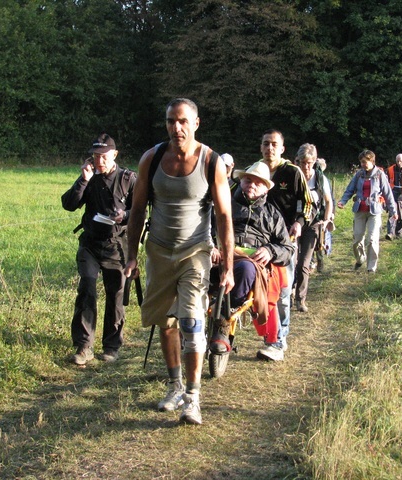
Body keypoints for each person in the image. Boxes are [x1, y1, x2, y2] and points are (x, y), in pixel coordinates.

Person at [125, 98, 234, 426]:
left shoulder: (210, 162)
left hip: (195, 253)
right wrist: (131, 255)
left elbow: (226, 216)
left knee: (191, 321)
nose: (177, 127)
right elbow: (136, 210)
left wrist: (228, 266)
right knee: (165, 322)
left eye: (183, 121)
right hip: (158, 251)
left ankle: (193, 397)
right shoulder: (152, 158)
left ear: (196, 123)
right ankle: (174, 386)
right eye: (171, 121)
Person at [61, 134, 137, 366]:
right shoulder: (89, 177)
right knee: (87, 287)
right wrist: (82, 180)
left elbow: (142, 211)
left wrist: (125, 216)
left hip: (117, 246)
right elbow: (69, 204)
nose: (99, 161)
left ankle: (112, 346)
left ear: (114, 155)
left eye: (103, 156)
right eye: (95, 156)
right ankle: (84, 346)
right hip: (90, 244)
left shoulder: (128, 178)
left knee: (116, 295)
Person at [209, 161, 294, 352]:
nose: (252, 185)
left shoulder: (272, 214)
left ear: (266, 188)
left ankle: (223, 321)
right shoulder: (224, 204)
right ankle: (187, 328)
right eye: (248, 180)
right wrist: (210, 245)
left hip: (250, 263)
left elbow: (287, 248)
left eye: (258, 182)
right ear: (240, 182)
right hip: (217, 256)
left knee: (246, 269)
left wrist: (270, 250)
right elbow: (205, 227)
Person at [257, 129, 313, 361]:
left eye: (274, 144)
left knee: (282, 290)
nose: (270, 148)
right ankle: (270, 335)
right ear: (261, 147)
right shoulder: (256, 170)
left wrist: (299, 223)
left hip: (284, 240)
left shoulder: (292, 172)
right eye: (266, 144)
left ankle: (280, 338)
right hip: (258, 239)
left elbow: (306, 203)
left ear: (282, 148)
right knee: (259, 290)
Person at [338, 150, 397, 273]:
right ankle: (360, 259)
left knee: (372, 239)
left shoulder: (380, 175)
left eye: (365, 162)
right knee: (357, 239)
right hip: (360, 210)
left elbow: (388, 194)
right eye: (361, 162)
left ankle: (371, 267)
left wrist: (393, 211)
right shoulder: (359, 174)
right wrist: (343, 201)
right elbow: (350, 189)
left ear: (372, 161)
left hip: (374, 212)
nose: (363, 165)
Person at [293, 144, 333, 313]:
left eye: (309, 162)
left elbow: (328, 201)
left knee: (303, 262)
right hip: (293, 224)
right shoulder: (293, 176)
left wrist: (326, 220)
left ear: (314, 161)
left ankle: (300, 299)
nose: (306, 166)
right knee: (291, 261)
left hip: (313, 224)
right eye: (303, 162)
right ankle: (289, 291)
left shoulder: (319, 178)